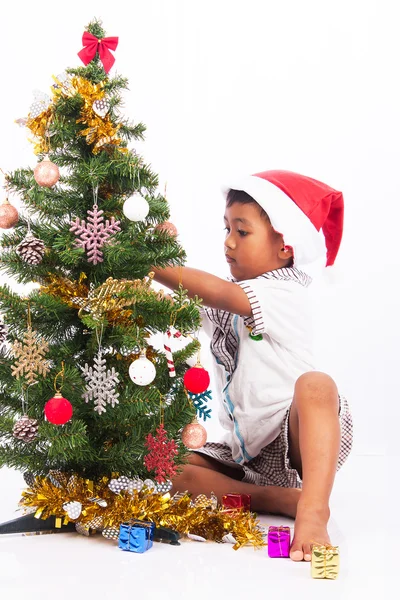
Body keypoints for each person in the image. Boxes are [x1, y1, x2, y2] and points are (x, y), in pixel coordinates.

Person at [152, 169, 353, 562]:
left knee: (316, 384)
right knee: (165, 467)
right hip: (247, 452)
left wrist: (153, 264)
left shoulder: (283, 290)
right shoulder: (234, 297)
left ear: (284, 246)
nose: (228, 242)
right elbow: (186, 305)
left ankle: (313, 509)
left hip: (296, 437)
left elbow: (219, 293)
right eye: (226, 228)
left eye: (242, 232)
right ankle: (276, 499)